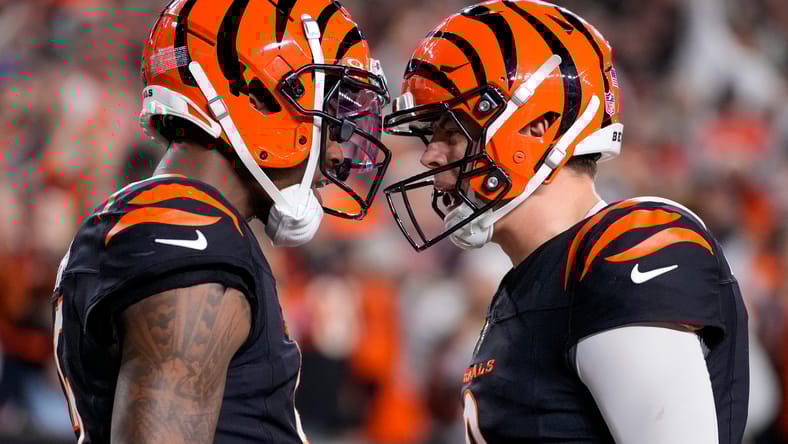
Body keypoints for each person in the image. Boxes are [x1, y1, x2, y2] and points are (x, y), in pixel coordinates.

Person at [382, 1, 749, 443]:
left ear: (537, 126)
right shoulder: (529, 282)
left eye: (452, 130)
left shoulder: (623, 246)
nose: (429, 155)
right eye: (430, 134)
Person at [50, 0, 391, 442]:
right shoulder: (190, 233)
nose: (337, 150)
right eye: (332, 118)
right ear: (259, 99)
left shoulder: (153, 218)